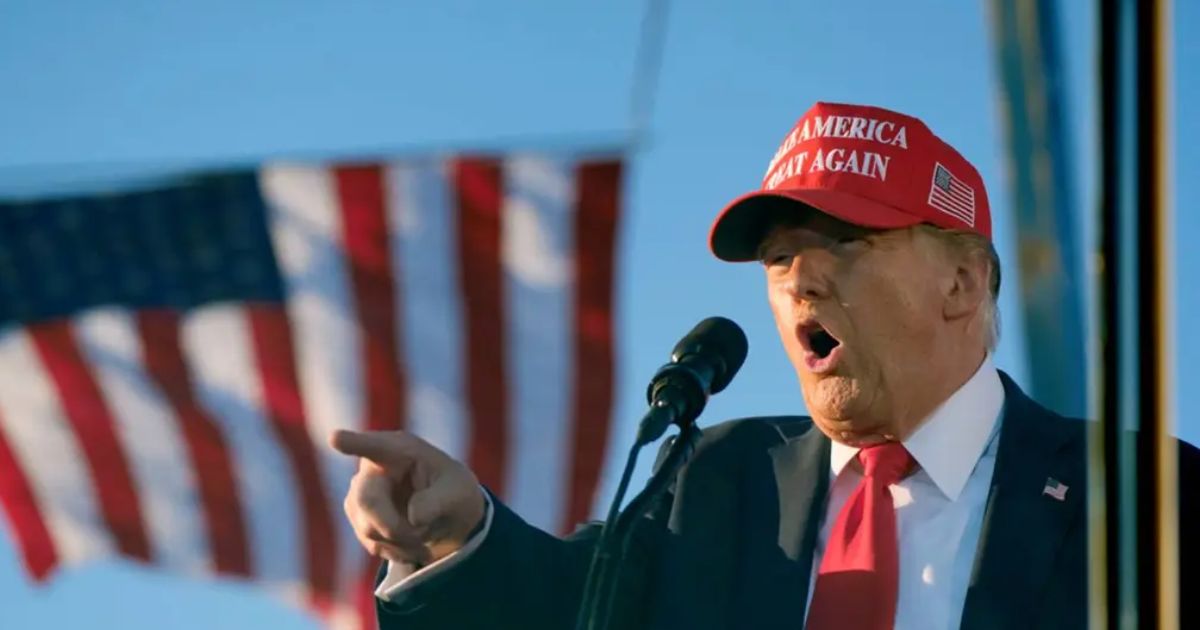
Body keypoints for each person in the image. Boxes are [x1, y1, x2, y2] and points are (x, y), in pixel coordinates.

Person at [331, 102, 1200, 629]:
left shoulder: (1143, 496)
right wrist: (459, 536)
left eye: (845, 243)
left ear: (962, 282)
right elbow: (571, 609)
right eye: (779, 257)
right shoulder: (715, 477)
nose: (799, 280)